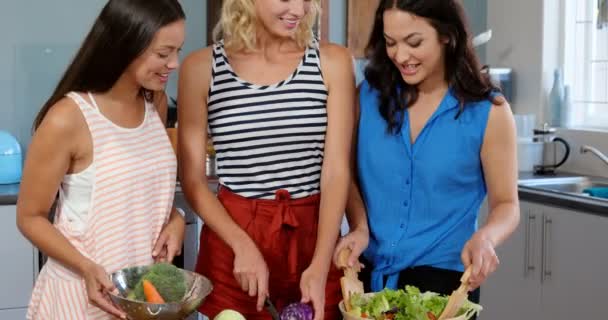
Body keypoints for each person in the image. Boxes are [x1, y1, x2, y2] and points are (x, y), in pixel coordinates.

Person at [334, 0, 520, 308]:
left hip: (444, 285)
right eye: (390, 43)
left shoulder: (489, 112)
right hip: (367, 278)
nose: (401, 56)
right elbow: (346, 172)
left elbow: (507, 204)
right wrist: (359, 226)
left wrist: (486, 237)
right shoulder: (367, 96)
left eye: (414, 42)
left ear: (447, 35)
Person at [177, 0, 355, 319]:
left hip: (314, 234)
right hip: (234, 237)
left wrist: (320, 263)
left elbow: (336, 171)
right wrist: (242, 246)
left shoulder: (332, 61)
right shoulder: (201, 68)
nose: (299, 11)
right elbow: (192, 181)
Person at [16, 1, 186, 319]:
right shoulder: (68, 118)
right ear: (125, 45)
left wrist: (175, 219)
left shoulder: (155, 105)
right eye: (163, 53)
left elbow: (139, 196)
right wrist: (86, 266)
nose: (174, 63)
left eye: (178, 51)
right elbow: (30, 217)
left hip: (137, 297)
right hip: (79, 297)